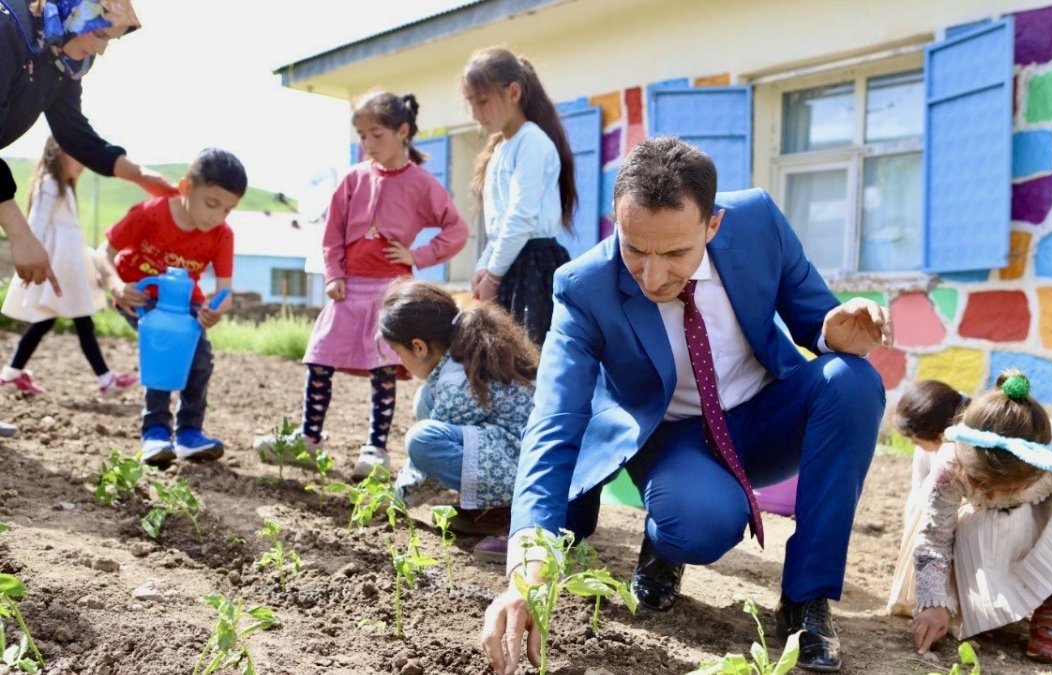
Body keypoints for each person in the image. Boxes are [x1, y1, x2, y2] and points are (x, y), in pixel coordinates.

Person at [480, 137, 892, 674]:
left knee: (853, 380)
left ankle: (805, 599)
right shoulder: (583, 288)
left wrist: (835, 334)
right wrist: (527, 572)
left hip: (767, 416)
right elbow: (553, 425)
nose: (653, 277)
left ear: (712, 225)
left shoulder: (758, 223)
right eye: (634, 249)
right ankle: (664, 542)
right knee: (697, 525)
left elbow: (816, 318)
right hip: (674, 438)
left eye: (675, 253)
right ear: (616, 220)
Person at [258, 92, 468, 481]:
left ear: (402, 131)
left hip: (391, 291)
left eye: (376, 135)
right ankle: (308, 439)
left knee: (384, 368)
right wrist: (334, 273)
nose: (368, 144)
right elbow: (332, 231)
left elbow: (456, 230)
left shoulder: (421, 184)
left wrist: (417, 255)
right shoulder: (353, 178)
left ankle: (375, 449)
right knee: (319, 358)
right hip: (348, 288)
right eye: (362, 135)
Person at [890, 370, 1052, 667]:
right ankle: (982, 607)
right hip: (979, 537)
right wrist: (934, 602)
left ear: (1038, 469)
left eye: (1011, 487)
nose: (997, 495)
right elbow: (934, 539)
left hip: (1036, 527)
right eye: (984, 484)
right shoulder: (951, 463)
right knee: (962, 531)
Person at [0, 0, 172, 432]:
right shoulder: (6, 33)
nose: (101, 49)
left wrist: (140, 175)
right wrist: (20, 233)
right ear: (73, 10)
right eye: (99, 34)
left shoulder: (59, 60)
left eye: (109, 40)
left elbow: (74, 134)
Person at [97, 148, 245, 467]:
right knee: (163, 348)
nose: (217, 217)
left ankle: (189, 433)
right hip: (139, 294)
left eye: (228, 210)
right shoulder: (151, 214)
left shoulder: (222, 235)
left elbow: (225, 292)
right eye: (211, 204)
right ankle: (155, 433)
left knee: (200, 358)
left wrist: (215, 309)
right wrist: (116, 285)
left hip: (184, 300)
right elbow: (102, 253)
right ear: (186, 188)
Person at [379, 279, 538, 561]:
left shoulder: (456, 383)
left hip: (529, 470)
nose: (398, 361)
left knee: (422, 441)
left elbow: (427, 466)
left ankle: (510, 514)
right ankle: (484, 508)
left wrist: (396, 499)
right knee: (426, 399)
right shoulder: (460, 354)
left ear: (418, 347)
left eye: (397, 352)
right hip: (513, 448)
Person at [1, 137, 137, 397]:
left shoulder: (63, 187)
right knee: (79, 321)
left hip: (67, 270)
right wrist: (33, 262)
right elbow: (36, 226)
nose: (83, 164)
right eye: (77, 156)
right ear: (58, 154)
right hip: (58, 270)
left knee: (47, 321)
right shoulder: (49, 184)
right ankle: (106, 380)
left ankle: (11, 375)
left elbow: (72, 236)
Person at [462, 47, 576, 346]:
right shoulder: (500, 149)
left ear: (513, 92)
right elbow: (500, 226)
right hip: (509, 261)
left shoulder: (531, 142)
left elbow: (521, 216)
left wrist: (493, 276)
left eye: (483, 101)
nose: (475, 114)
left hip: (534, 266)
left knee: (531, 355)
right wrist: (484, 268)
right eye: (470, 102)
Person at [891, 380, 970, 521]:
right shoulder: (924, 450)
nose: (912, 443)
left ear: (940, 435)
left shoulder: (970, 454)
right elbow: (917, 491)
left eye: (915, 439)